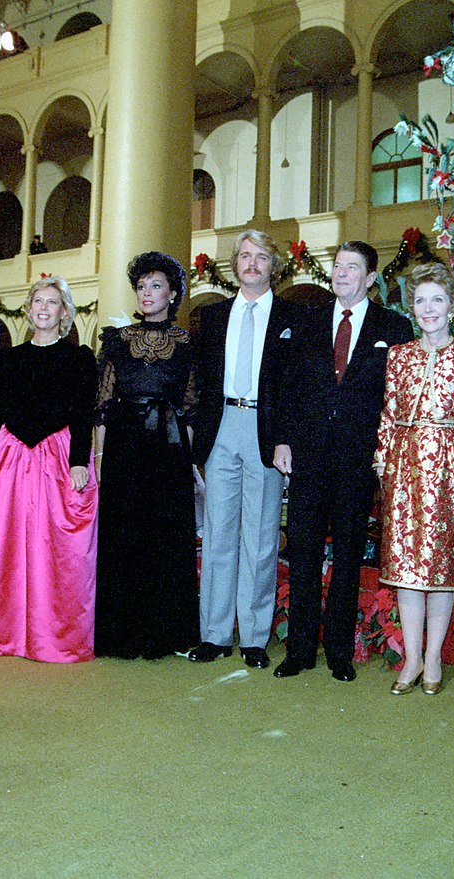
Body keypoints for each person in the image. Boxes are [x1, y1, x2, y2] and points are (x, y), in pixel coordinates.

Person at [272, 241, 414, 683]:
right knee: (304, 553)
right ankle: (298, 651)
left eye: (352, 268)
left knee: (349, 555)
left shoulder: (394, 326)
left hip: (359, 458)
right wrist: (282, 441)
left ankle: (338, 652)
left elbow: (398, 396)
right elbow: (288, 387)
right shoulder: (308, 321)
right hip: (308, 456)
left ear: (371, 278)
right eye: (337, 266)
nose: (341, 274)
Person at [0, 276, 98, 662]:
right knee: (3, 545)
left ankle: (51, 636)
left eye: (52, 302)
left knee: (56, 548)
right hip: (11, 457)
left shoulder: (79, 357)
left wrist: (77, 462)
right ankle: (5, 633)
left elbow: (83, 414)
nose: (43, 307)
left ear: (64, 312)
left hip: (57, 456)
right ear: (29, 309)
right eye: (38, 300)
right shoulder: (9, 357)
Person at [188, 230, 303, 669]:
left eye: (261, 257)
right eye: (244, 257)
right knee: (217, 535)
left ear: (274, 266)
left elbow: (296, 387)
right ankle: (214, 634)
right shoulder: (213, 317)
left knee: (259, 538)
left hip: (266, 432)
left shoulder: (294, 317)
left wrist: (285, 437)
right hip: (221, 429)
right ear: (234, 264)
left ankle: (254, 637)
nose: (251, 264)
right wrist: (199, 439)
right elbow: (199, 381)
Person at [370, 263, 454, 695]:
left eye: (437, 300)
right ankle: (412, 657)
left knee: (441, 564)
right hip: (403, 462)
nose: (428, 309)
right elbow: (388, 412)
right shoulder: (398, 354)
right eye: (420, 300)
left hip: (450, 462)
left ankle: (434, 657)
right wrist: (382, 462)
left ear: (452, 305)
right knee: (406, 565)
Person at [93, 252, 199, 660]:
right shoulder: (116, 341)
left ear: (172, 293)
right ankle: (121, 634)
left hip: (169, 449)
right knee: (124, 534)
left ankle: (164, 634)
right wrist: (100, 455)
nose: (147, 293)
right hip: (123, 445)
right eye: (141, 287)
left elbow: (191, 406)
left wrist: (187, 461)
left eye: (156, 286)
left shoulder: (189, 344)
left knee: (165, 535)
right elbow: (102, 403)